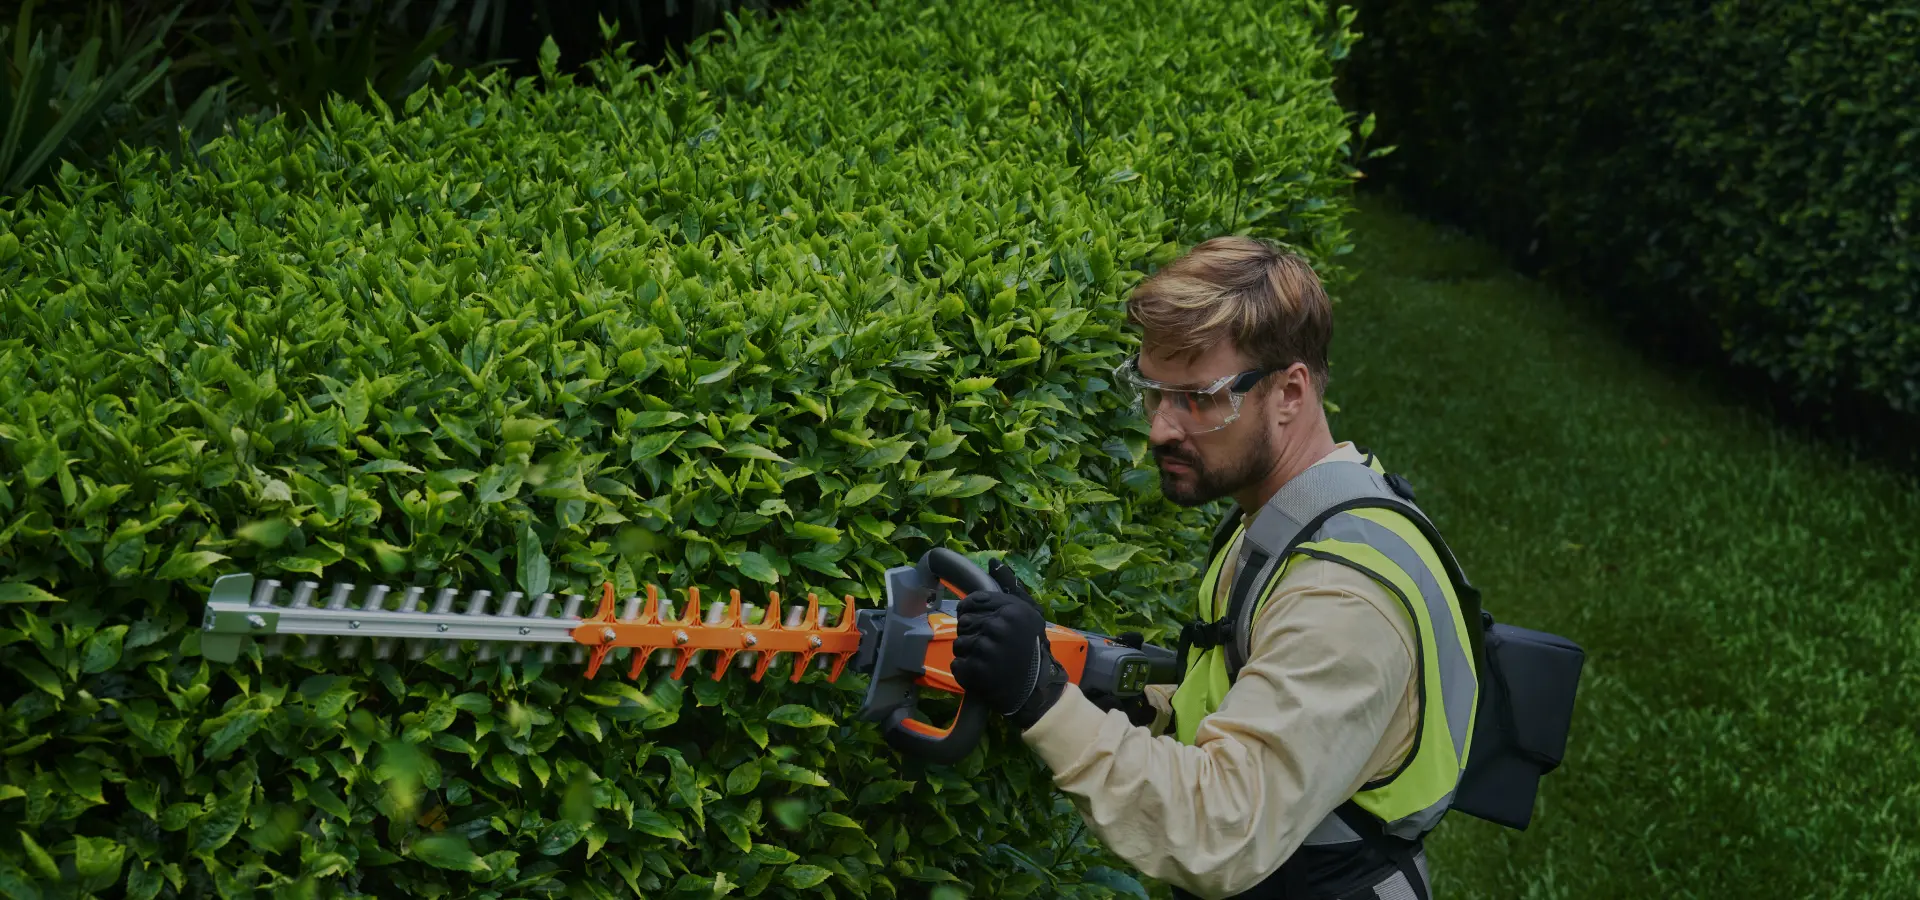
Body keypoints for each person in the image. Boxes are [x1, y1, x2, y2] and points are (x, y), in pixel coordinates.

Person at [951, 236, 1479, 900]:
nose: (1160, 429)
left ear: (1289, 393)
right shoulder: (1296, 513)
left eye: (1197, 398)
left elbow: (1221, 830)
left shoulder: (1341, 598)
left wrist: (1042, 697)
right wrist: (1122, 702)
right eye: (1151, 392)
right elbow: (1241, 693)